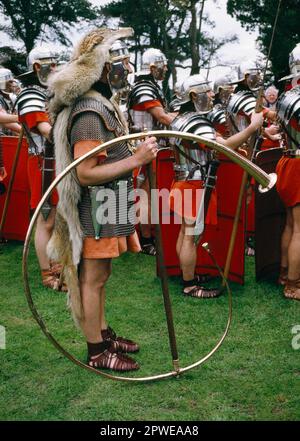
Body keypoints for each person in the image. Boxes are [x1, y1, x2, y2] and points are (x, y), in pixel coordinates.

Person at [48, 27, 159, 371]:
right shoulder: (90, 111)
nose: (127, 69)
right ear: (104, 67)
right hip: (95, 208)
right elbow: (85, 173)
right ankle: (97, 351)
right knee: (92, 279)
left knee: (101, 276)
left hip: (108, 205)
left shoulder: (101, 105)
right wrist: (136, 160)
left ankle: (102, 331)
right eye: (121, 62)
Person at [169, 74, 263, 298]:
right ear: (193, 96)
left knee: (185, 232)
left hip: (184, 182)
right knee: (190, 235)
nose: (212, 95)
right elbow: (223, 147)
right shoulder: (195, 122)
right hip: (192, 184)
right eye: (207, 91)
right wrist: (252, 128)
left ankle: (187, 274)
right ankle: (190, 284)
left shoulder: (181, 119)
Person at [15, 44, 65, 291]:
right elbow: (49, 133)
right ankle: (47, 274)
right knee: (45, 220)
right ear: (37, 67)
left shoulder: (48, 93)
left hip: (55, 162)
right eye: (51, 65)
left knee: (55, 219)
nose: (56, 69)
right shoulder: (30, 95)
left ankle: (55, 265)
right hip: (42, 164)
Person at [127, 48, 177, 255]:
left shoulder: (149, 86)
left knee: (150, 194)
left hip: (151, 145)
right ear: (152, 67)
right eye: (162, 65)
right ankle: (146, 239)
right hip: (143, 146)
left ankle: (149, 235)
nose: (166, 69)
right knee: (145, 195)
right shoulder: (144, 88)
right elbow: (163, 118)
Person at [276, 43, 300, 301]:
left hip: (288, 161)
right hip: (298, 166)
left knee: (292, 224)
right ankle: (293, 284)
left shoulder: (287, 95)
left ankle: (284, 273)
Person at [0, 67, 21, 135]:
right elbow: (2, 118)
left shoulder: (11, 98)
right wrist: (23, 117)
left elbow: (10, 122)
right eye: (10, 82)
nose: (13, 84)